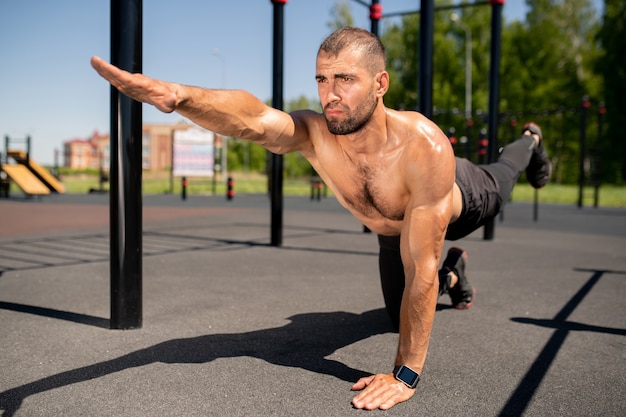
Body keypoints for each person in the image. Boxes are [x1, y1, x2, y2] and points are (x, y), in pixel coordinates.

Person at [91, 27, 551, 411]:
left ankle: (530, 140)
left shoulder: (423, 146)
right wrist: (179, 96)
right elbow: (253, 119)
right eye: (322, 79)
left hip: (460, 198)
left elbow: (421, 268)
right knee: (398, 317)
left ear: (380, 83)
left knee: (504, 175)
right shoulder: (315, 134)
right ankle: (458, 274)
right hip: (396, 234)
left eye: (345, 79)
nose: (331, 94)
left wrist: (406, 376)